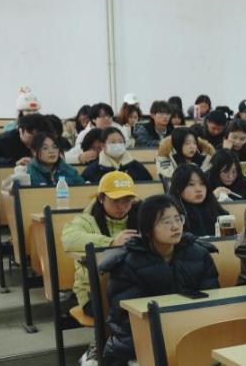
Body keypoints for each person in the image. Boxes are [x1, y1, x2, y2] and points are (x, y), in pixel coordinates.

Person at [99, 195, 219, 365]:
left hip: (191, 335)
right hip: (139, 343)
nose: (175, 226)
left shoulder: (199, 254)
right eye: (166, 222)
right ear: (148, 229)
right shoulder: (127, 264)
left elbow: (212, 301)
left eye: (178, 219)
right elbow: (128, 319)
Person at [62, 171, 140, 316]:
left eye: (127, 200)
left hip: (133, 286)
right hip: (93, 293)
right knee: (127, 314)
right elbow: (69, 239)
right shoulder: (86, 219)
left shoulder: (141, 216)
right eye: (115, 201)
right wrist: (110, 242)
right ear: (101, 198)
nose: (121, 206)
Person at [168, 163, 229, 237]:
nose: (198, 189)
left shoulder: (214, 208)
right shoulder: (171, 213)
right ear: (178, 188)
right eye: (191, 184)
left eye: (202, 183)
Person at [81, 127, 152, 183]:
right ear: (103, 146)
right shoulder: (93, 170)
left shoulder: (136, 167)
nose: (118, 145)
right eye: (113, 142)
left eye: (120, 142)